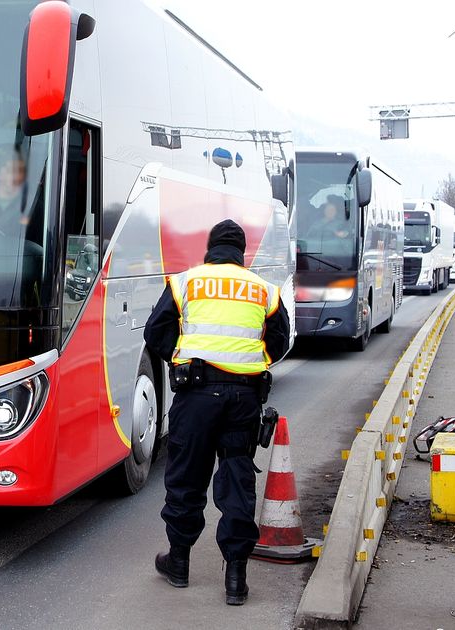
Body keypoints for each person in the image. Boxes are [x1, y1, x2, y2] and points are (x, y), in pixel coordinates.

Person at [143, 219, 291, 606]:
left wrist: (182, 359)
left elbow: (155, 331)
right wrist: (250, 363)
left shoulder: (186, 282)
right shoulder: (263, 289)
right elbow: (280, 340)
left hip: (195, 395)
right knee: (237, 478)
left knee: (186, 477)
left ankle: (178, 563)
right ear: (241, 252)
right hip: (243, 398)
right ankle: (236, 577)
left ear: (209, 248)